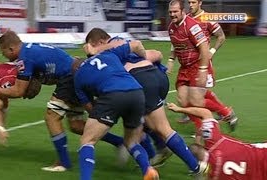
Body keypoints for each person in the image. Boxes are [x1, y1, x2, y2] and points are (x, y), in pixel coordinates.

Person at [0, 30, 127, 172]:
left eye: (3, 52)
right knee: (77, 125)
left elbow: (18, 91)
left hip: (69, 78)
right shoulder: (29, 49)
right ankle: (119, 142)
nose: (3, 55)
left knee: (52, 116)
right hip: (76, 73)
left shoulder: (24, 57)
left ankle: (63, 162)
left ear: (11, 49)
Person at [84, 27, 207, 174]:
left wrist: (96, 51)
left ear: (100, 41)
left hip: (140, 80)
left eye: (93, 45)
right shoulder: (122, 41)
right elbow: (157, 54)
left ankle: (195, 167)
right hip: (156, 77)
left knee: (157, 128)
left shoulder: (108, 49)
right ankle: (158, 152)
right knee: (142, 119)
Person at [73, 41, 159, 180]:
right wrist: (144, 57)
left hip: (112, 95)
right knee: (131, 142)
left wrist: (107, 115)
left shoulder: (78, 77)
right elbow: (136, 44)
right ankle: (147, 169)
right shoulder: (108, 54)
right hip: (137, 93)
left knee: (87, 141)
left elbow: (90, 108)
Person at [166, 0, 237, 141]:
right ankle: (206, 122)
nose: (191, 4)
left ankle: (223, 113)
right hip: (185, 66)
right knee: (184, 100)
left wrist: (210, 53)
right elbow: (175, 43)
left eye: (193, 2)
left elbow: (220, 37)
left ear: (200, 3)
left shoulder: (202, 20)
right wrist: (170, 60)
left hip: (200, 64)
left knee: (196, 100)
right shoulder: (173, 26)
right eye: (189, 2)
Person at [167, 102, 267, 180]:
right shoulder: (214, 141)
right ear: (202, 147)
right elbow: (205, 113)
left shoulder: (214, 176)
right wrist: (179, 109)